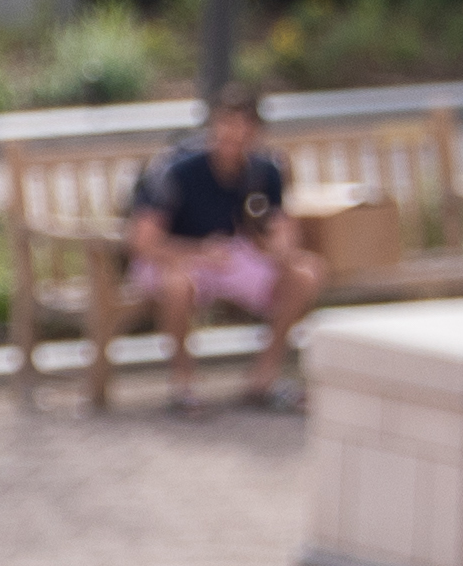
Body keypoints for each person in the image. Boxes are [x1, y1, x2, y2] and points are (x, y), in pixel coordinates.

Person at [127, 84, 320, 400]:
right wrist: (198, 252)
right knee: (177, 284)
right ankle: (183, 383)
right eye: (226, 125)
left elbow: (280, 225)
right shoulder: (176, 170)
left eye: (244, 127)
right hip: (175, 256)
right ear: (212, 126)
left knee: (305, 272)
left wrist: (281, 248)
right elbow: (142, 241)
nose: (235, 135)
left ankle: (264, 378)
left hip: (231, 257)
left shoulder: (263, 170)